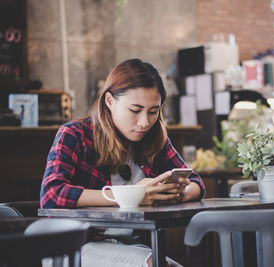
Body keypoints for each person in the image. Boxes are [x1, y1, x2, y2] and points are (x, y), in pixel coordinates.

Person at [40, 58, 205, 267]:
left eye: (153, 111)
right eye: (135, 110)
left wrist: (179, 192)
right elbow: (52, 194)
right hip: (75, 247)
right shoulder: (75, 134)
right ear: (109, 101)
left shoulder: (155, 138)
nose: (144, 122)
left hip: (134, 247)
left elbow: (197, 183)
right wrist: (133, 196)